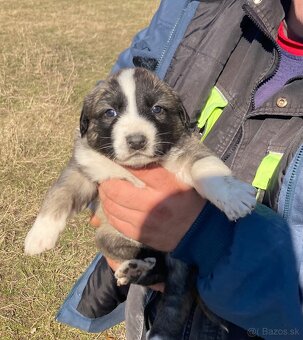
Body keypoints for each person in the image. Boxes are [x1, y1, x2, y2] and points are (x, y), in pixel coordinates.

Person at [56, 0, 303, 339]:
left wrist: (209, 237)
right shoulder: (196, 6)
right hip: (146, 313)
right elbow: (115, 92)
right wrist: (101, 179)